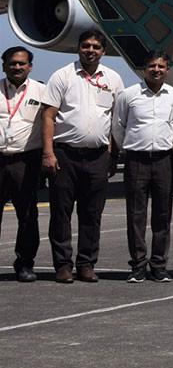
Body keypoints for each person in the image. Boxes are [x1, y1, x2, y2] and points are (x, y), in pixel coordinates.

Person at [41, 29, 126, 283]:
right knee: (61, 213)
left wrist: (113, 154)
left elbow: (116, 119)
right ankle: (63, 265)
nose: (90, 50)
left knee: (92, 213)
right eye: (86, 46)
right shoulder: (62, 76)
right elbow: (48, 116)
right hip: (65, 155)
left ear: (103, 51)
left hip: (98, 156)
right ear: (78, 48)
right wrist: (48, 153)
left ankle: (86, 263)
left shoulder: (113, 79)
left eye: (96, 47)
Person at [113, 52, 173, 283]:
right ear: (144, 69)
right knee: (136, 215)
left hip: (164, 160)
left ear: (167, 70)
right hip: (136, 160)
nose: (156, 70)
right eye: (152, 66)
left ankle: (159, 265)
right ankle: (138, 265)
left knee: (162, 214)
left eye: (161, 66)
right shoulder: (128, 95)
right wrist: (128, 148)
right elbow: (118, 126)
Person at [1, 46, 44, 282]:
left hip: (26, 160)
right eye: (12, 63)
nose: (16, 67)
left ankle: (25, 263)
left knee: (27, 215)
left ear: (30, 66)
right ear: (4, 66)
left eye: (21, 63)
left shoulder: (42, 91)